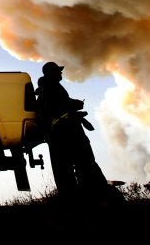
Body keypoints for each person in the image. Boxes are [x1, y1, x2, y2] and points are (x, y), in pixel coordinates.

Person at [35, 61, 114, 203]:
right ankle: (93, 192)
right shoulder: (51, 87)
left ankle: (71, 197)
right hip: (67, 132)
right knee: (84, 161)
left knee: (64, 167)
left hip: (58, 134)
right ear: (51, 72)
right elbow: (57, 105)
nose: (60, 73)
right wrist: (75, 104)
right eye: (58, 71)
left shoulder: (46, 87)